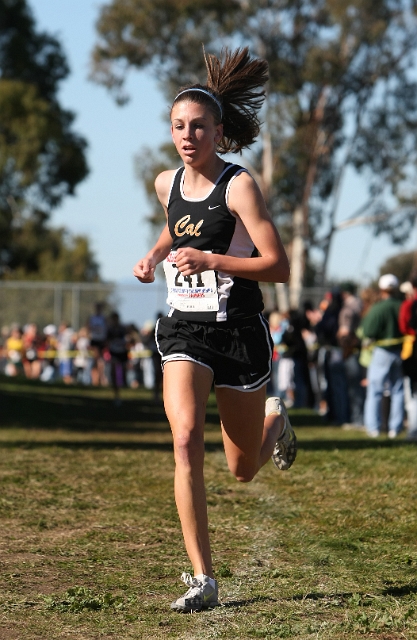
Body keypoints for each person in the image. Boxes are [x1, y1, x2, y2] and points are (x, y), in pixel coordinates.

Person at [133, 47, 296, 613]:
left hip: (239, 332)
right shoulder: (165, 183)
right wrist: (156, 255)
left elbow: (279, 266)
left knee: (243, 469)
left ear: (218, 131)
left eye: (198, 126)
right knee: (183, 439)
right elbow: (174, 227)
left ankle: (274, 419)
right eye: (178, 126)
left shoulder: (238, 187)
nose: (186, 135)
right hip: (185, 331)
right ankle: (202, 578)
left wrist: (214, 261)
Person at [362, 274, 404, 438]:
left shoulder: (378, 308)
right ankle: (395, 428)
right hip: (400, 351)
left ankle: (374, 427)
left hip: (381, 352)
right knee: (398, 390)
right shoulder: (402, 305)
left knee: (375, 391)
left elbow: (368, 331)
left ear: (381, 289)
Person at [399, 272, 417, 441]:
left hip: (412, 351)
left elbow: (404, 326)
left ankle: (414, 429)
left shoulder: (408, 305)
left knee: (411, 392)